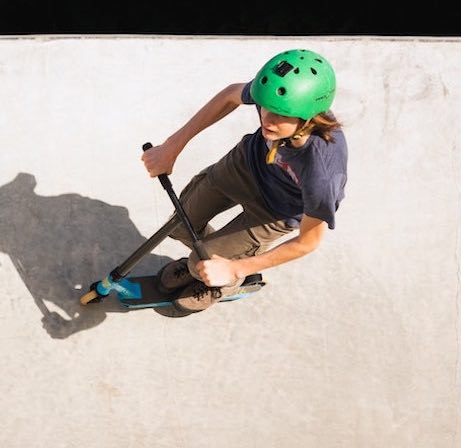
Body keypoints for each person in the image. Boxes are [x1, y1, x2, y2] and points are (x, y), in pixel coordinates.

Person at [141, 48, 348, 313]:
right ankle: (209, 258)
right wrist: (172, 146)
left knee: (199, 262)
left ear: (307, 118)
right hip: (245, 166)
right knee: (179, 225)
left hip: (276, 211)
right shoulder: (275, 94)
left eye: (280, 114)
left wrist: (234, 267)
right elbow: (230, 95)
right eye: (265, 108)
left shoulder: (322, 172)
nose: (267, 119)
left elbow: (308, 242)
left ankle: (222, 279)